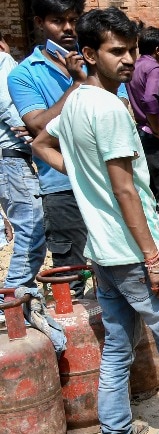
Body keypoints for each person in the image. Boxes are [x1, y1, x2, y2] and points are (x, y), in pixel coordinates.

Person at [31, 7, 159, 434]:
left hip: (102, 253)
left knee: (118, 344)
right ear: (89, 54)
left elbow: (38, 140)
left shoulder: (75, 101)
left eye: (132, 49)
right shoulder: (108, 108)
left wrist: (78, 175)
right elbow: (125, 192)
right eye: (117, 51)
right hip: (133, 252)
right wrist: (154, 257)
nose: (130, 59)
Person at [8, 0, 103, 295]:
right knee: (72, 276)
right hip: (61, 185)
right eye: (57, 21)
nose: (68, 29)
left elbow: (116, 114)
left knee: (118, 266)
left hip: (107, 177)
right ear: (39, 22)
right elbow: (38, 128)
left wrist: (54, 124)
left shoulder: (97, 59)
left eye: (73, 20)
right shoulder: (24, 74)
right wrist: (79, 84)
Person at [0, 30, 46, 289]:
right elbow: (8, 105)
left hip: (7, 162)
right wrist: (37, 135)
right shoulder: (3, 60)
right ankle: (11, 299)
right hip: (11, 159)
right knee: (32, 229)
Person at [128, 25, 159, 231]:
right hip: (156, 138)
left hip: (141, 134)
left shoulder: (135, 66)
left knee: (149, 193)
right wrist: (157, 130)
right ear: (157, 50)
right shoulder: (155, 69)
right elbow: (150, 99)